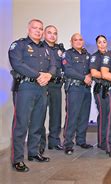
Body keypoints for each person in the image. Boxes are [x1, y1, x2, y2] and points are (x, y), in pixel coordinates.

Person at [9, 19, 55, 172]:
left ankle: (34, 153)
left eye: (40, 29)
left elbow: (54, 65)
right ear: (28, 29)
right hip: (25, 88)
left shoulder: (46, 48)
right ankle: (17, 159)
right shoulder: (19, 45)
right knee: (21, 124)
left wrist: (48, 75)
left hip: (42, 89)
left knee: (37, 123)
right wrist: (38, 75)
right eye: (35, 28)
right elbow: (17, 64)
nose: (38, 31)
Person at [62, 33, 93, 155]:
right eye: (76, 40)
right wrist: (83, 77)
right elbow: (68, 70)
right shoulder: (67, 54)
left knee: (84, 116)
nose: (78, 42)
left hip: (86, 89)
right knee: (72, 116)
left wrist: (90, 75)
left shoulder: (87, 55)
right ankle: (68, 144)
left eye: (80, 39)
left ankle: (81, 140)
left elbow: (92, 69)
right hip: (74, 88)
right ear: (71, 41)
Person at [39, 25, 65, 153]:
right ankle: (40, 143)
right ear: (44, 34)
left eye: (55, 33)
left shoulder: (60, 49)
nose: (52, 35)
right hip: (43, 85)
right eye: (49, 33)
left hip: (56, 85)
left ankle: (54, 141)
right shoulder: (40, 47)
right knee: (40, 115)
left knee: (56, 114)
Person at [90, 35, 108, 150]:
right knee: (103, 115)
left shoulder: (110, 55)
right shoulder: (95, 57)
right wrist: (109, 75)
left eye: (104, 42)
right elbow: (94, 73)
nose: (102, 44)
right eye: (99, 42)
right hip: (100, 89)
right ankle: (102, 142)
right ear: (97, 44)